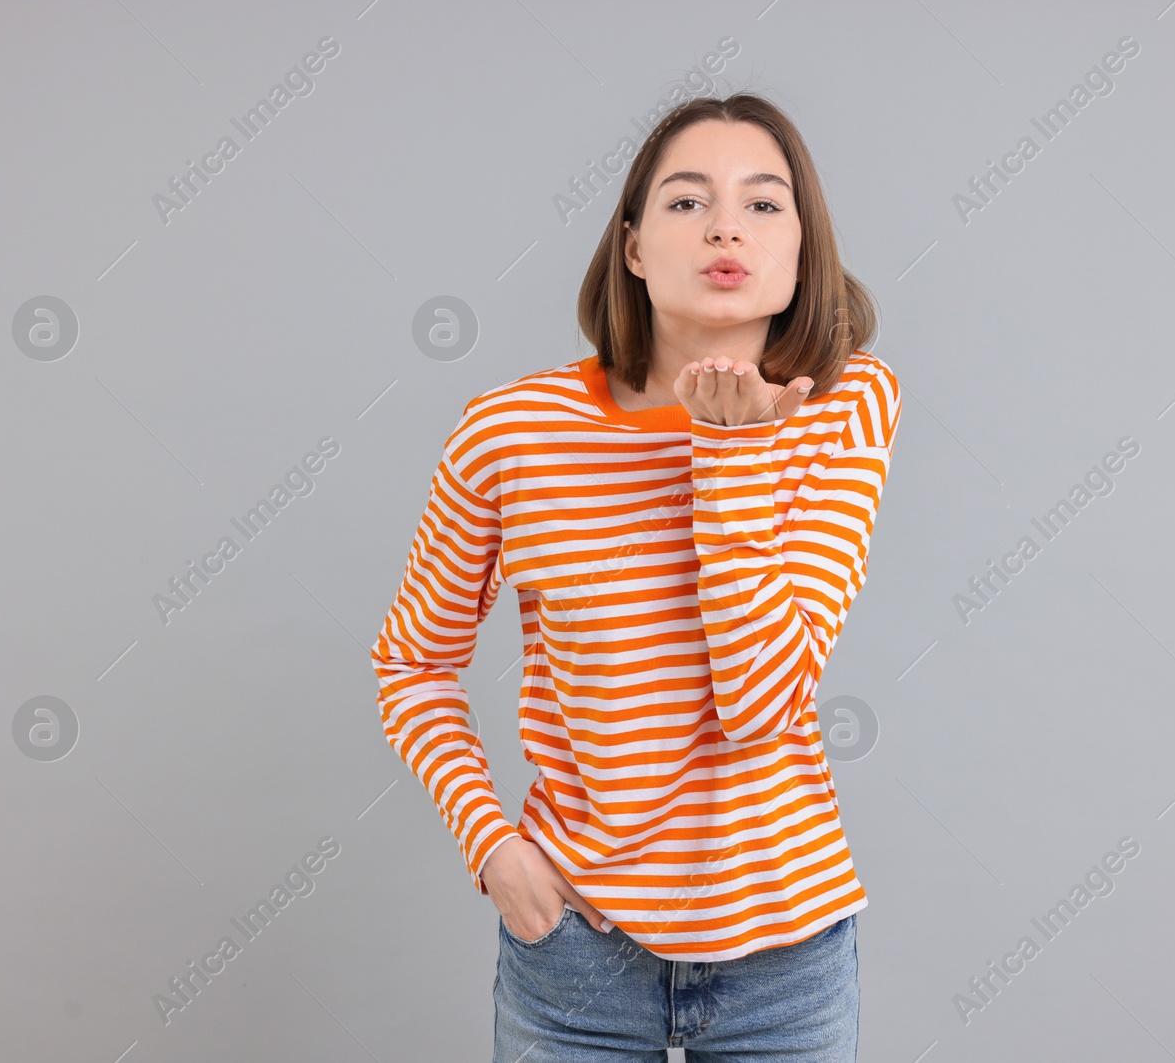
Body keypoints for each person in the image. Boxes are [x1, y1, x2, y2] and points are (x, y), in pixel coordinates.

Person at [372, 91, 901, 1062]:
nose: (727, 225)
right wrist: (493, 848)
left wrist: (728, 453)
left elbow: (759, 702)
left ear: (800, 250)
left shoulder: (846, 407)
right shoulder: (509, 432)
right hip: (573, 948)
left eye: (764, 203)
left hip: (784, 954)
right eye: (688, 201)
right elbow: (412, 663)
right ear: (633, 248)